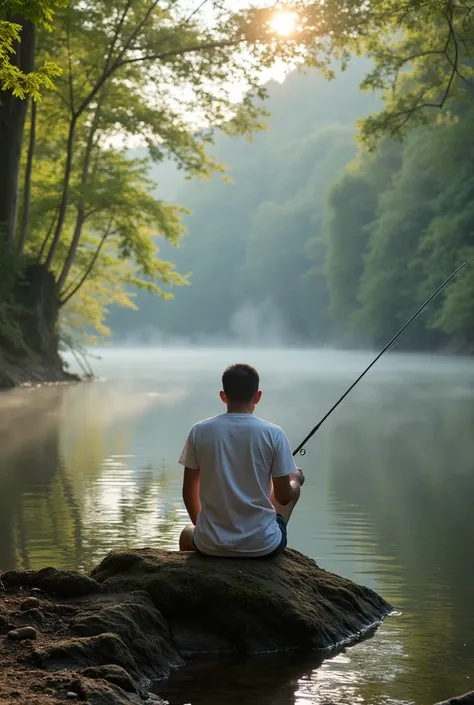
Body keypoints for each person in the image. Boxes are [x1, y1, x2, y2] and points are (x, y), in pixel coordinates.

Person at [178, 363, 304, 557]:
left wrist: (203, 528)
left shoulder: (200, 431)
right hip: (263, 546)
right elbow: (284, 497)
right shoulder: (274, 434)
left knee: (186, 534)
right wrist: (295, 481)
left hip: (210, 544)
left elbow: (188, 490)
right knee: (292, 478)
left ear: (223, 396)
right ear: (257, 396)